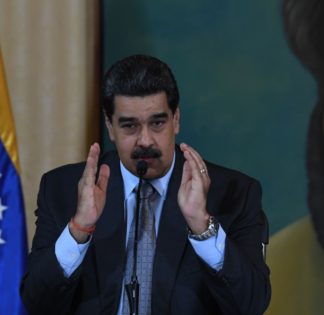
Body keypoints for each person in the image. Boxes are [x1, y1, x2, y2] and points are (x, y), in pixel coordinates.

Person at [20, 55, 271, 314]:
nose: (145, 140)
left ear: (176, 119)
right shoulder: (62, 190)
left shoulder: (233, 193)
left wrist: (202, 226)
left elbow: (251, 305)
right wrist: (79, 228)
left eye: (157, 123)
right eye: (130, 126)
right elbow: (38, 303)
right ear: (110, 126)